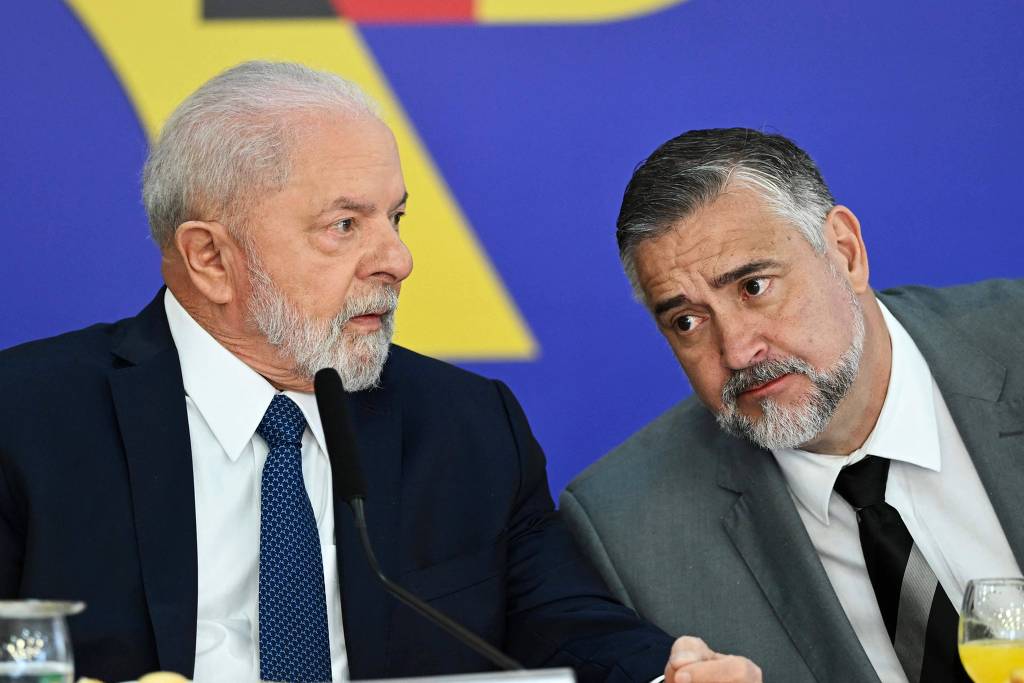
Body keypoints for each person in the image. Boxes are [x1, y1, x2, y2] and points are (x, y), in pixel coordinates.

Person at [0, 64, 761, 683]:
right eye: (344, 225)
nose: (397, 261)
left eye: (394, 218)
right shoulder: (25, 419)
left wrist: (665, 672)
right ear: (210, 258)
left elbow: (559, 621)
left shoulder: (467, 424)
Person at [561, 127, 1024, 683]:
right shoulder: (632, 530)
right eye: (686, 321)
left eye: (754, 287)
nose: (737, 350)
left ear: (846, 254)